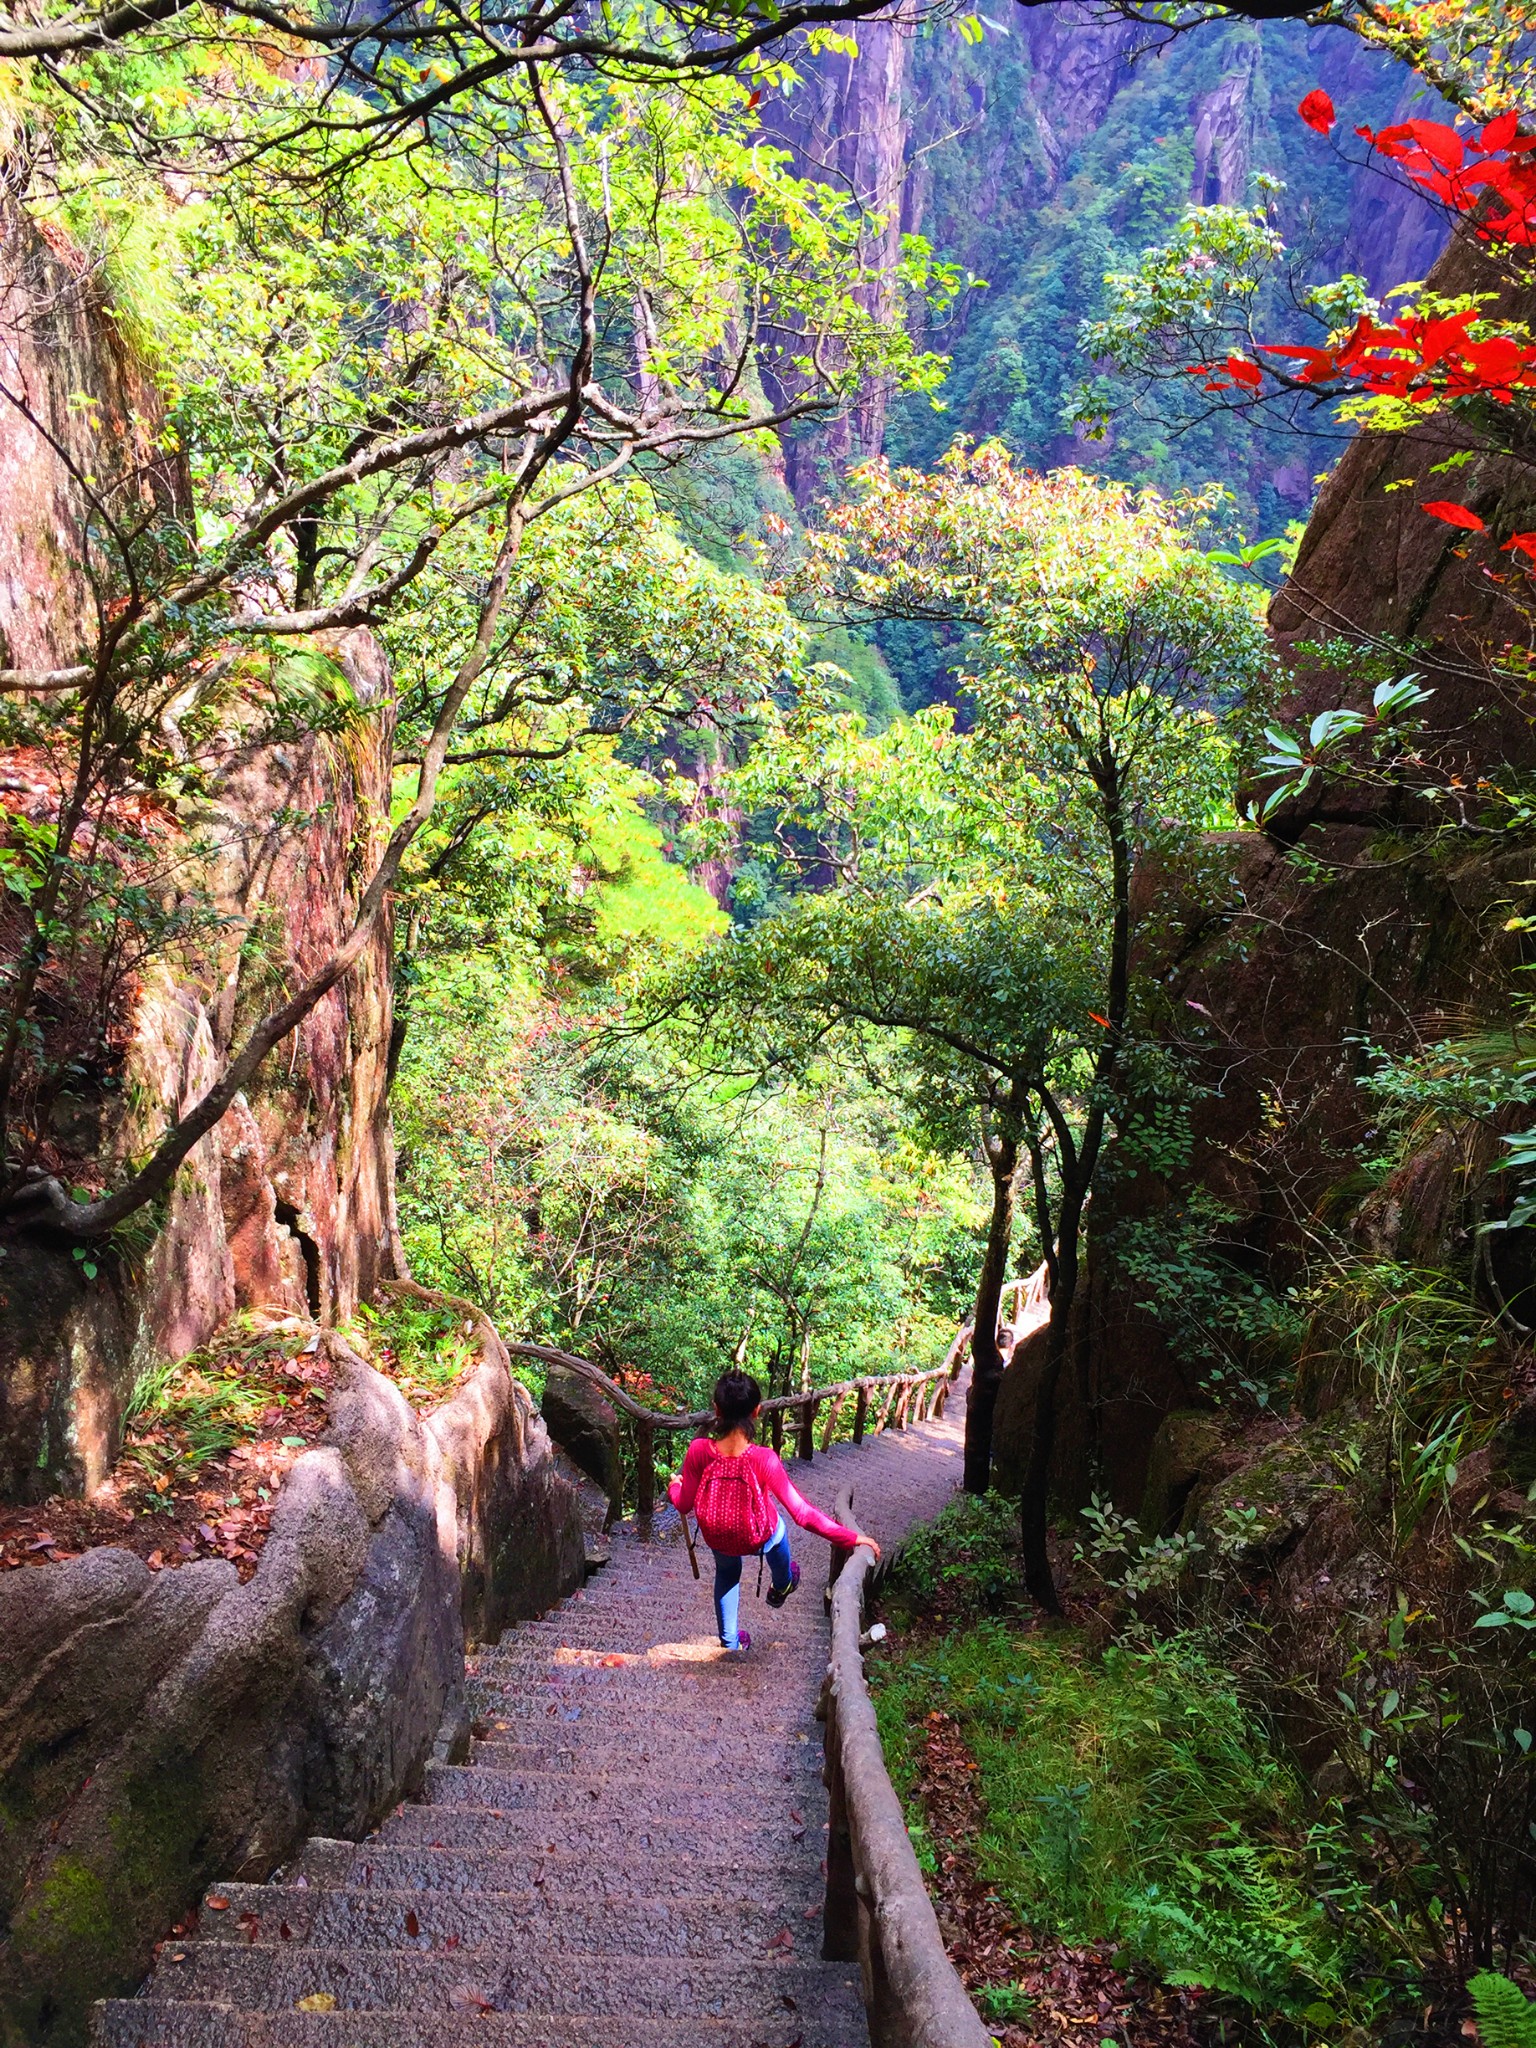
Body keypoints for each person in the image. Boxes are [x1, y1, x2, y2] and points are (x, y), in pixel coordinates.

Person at [669, 1368, 881, 1654]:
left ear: (716, 1410)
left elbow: (683, 1503)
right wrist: (851, 1538)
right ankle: (782, 1585)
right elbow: (802, 1514)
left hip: (718, 1536)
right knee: (778, 1530)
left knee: (727, 1574)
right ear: (757, 1411)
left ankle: (730, 1643)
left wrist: (674, 1486)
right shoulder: (763, 1459)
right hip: (758, 1535)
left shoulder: (698, 1451)